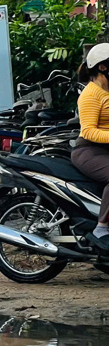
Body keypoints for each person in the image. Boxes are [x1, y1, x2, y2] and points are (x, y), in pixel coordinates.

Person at [72, 43, 109, 251]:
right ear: (103, 67)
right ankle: (101, 228)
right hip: (88, 151)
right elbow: (89, 131)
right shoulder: (91, 95)